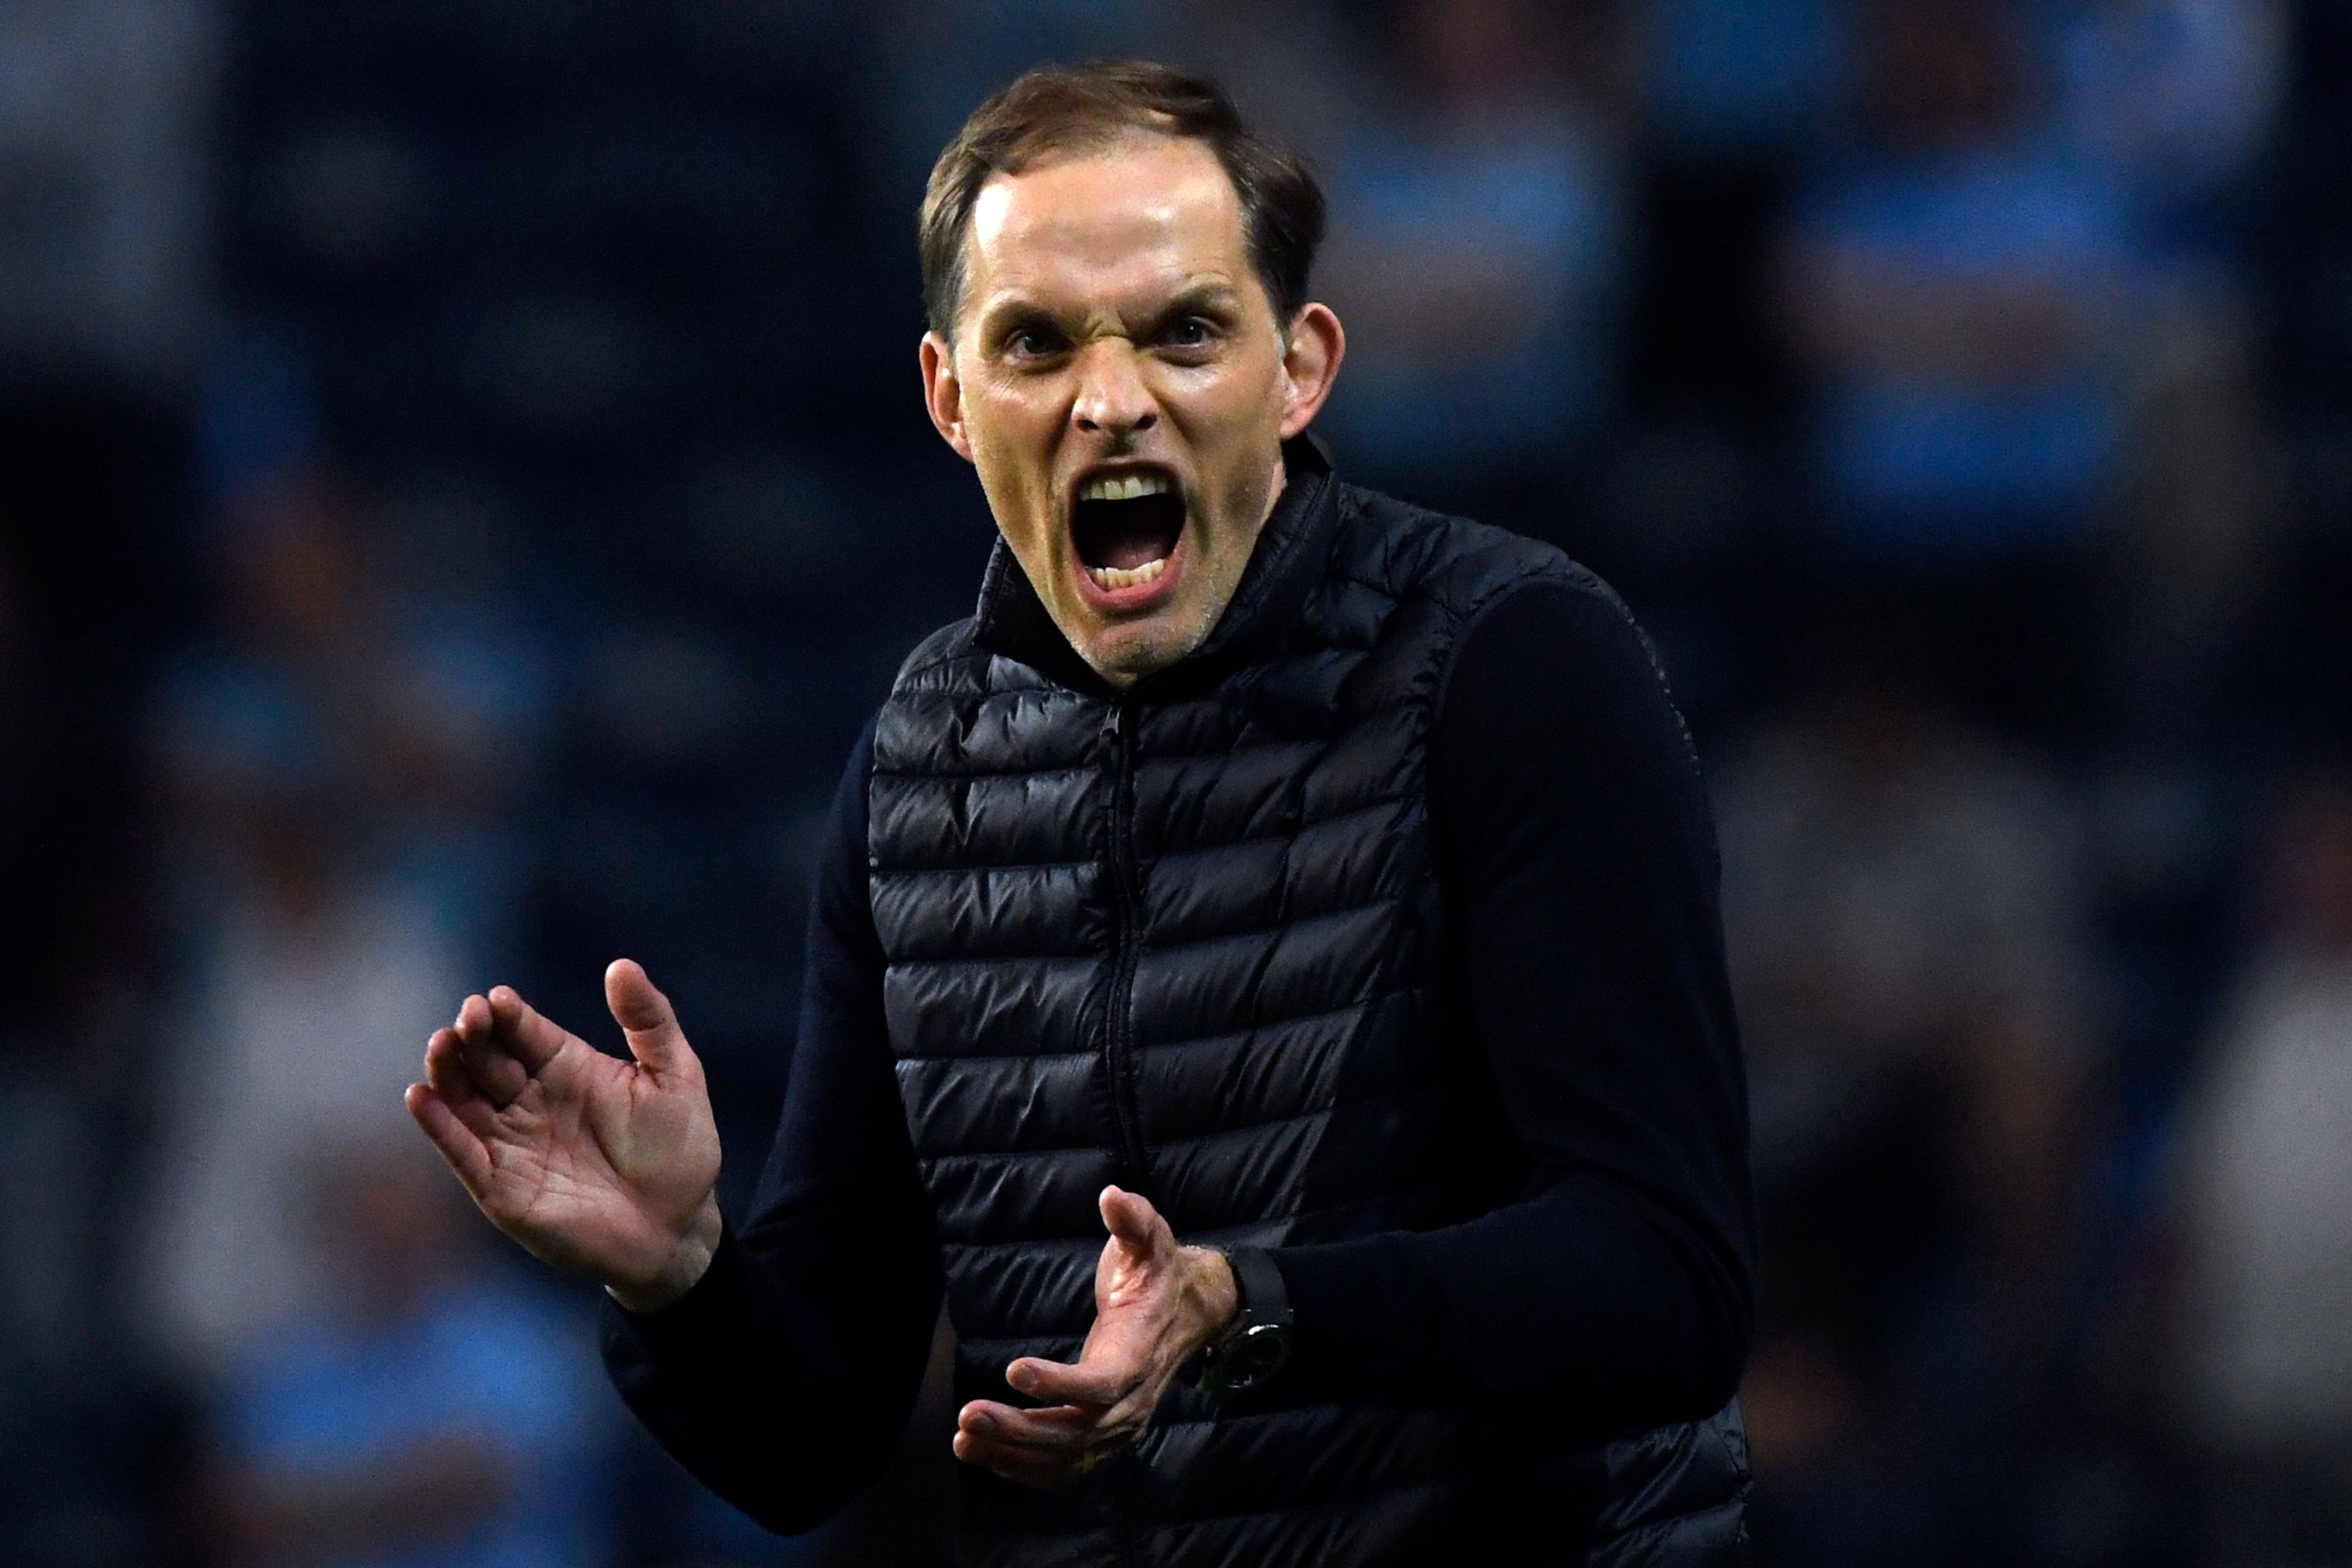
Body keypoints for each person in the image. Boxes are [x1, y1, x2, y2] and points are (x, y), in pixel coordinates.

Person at [407, 61, 1755, 1566]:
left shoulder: (1516, 666)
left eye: (1184, 330)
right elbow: (810, 1441)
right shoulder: (915, 775)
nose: (1113, 402)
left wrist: (1244, 1308)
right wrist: (677, 1273)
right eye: (1037, 343)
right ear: (950, 399)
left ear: (1300, 367)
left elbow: (1666, 1283)